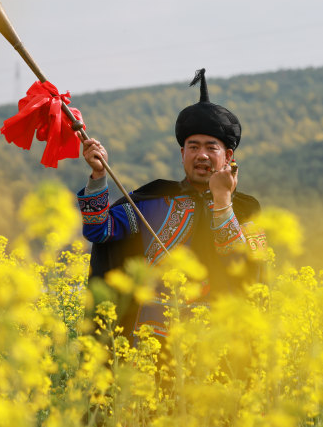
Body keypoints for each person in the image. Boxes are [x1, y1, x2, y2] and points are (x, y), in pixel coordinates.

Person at [76, 69, 266, 340]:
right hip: (153, 343)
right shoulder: (153, 200)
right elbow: (99, 230)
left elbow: (244, 265)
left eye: (211, 147)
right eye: (193, 147)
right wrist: (98, 176)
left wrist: (223, 198)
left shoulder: (246, 209)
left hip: (222, 344)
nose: (201, 155)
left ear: (228, 156)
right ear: (182, 154)